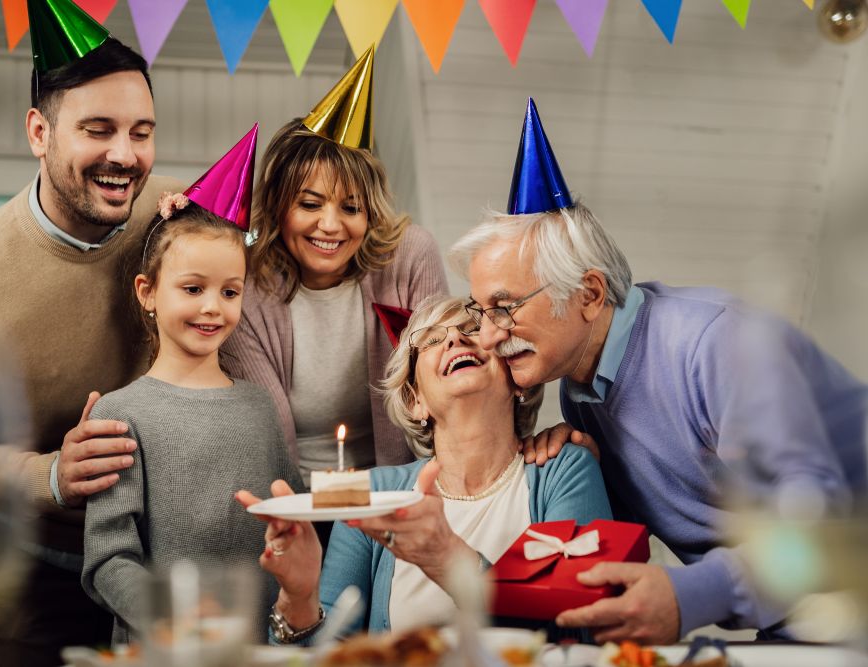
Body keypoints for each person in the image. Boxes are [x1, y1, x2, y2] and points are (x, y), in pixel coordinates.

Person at [449, 98, 868, 644]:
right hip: (792, 620)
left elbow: (820, 520)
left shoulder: (715, 344)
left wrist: (690, 595)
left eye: (504, 307)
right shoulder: (580, 391)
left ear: (590, 294)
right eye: (482, 311)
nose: (487, 333)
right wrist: (587, 468)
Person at [0, 2, 182, 663]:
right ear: (39, 131)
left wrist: (227, 234)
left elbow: (256, 256)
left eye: (141, 132)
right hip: (35, 580)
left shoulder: (174, 210)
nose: (125, 155)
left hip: (168, 561)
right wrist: (48, 472)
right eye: (98, 129)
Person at [236, 295, 611, 641]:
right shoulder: (374, 493)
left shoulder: (564, 468)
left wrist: (449, 559)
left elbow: (582, 631)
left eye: (471, 329)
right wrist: (299, 599)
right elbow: (331, 653)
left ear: (517, 378)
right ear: (416, 401)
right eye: (431, 340)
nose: (455, 341)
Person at [81, 128, 303, 642]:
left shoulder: (258, 404)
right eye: (192, 288)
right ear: (148, 292)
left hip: (259, 649)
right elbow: (109, 560)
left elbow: (295, 509)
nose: (212, 307)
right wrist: (173, 621)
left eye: (230, 291)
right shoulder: (119, 414)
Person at [221, 47, 448, 482]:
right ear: (277, 206)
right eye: (309, 204)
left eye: (350, 207)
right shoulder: (243, 282)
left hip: (399, 486)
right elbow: (267, 428)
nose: (331, 225)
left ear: (371, 212)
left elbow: (444, 388)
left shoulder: (410, 256)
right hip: (296, 492)